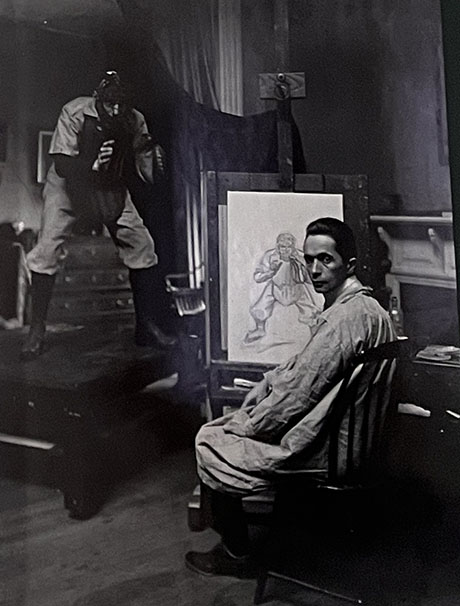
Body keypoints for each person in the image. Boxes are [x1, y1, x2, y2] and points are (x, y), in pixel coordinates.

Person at [185, 217, 396, 577]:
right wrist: (267, 382)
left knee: (211, 439)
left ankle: (237, 554)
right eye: (308, 259)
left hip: (332, 453)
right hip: (357, 446)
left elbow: (296, 397)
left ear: (350, 265)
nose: (314, 270)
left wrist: (246, 425)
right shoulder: (369, 309)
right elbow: (306, 368)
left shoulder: (342, 321)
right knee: (230, 428)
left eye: (325, 260)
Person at [21, 71, 176, 359]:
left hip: (110, 185)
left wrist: (158, 167)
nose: (115, 110)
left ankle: (146, 326)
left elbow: (144, 162)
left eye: (121, 104)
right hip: (68, 185)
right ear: (97, 98)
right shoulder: (74, 112)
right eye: (109, 103)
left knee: (142, 245)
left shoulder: (134, 119)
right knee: (46, 250)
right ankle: (36, 331)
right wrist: (91, 163)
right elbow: (62, 163)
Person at [243, 231, 323, 344]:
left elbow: (311, 279)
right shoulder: (270, 257)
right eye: (282, 247)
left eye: (288, 247)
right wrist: (271, 271)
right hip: (276, 288)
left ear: (293, 247)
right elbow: (258, 276)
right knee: (261, 304)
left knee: (310, 309)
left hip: (296, 288)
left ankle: (315, 332)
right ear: (278, 246)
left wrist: (301, 265)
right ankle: (259, 329)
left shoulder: (301, 257)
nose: (285, 250)